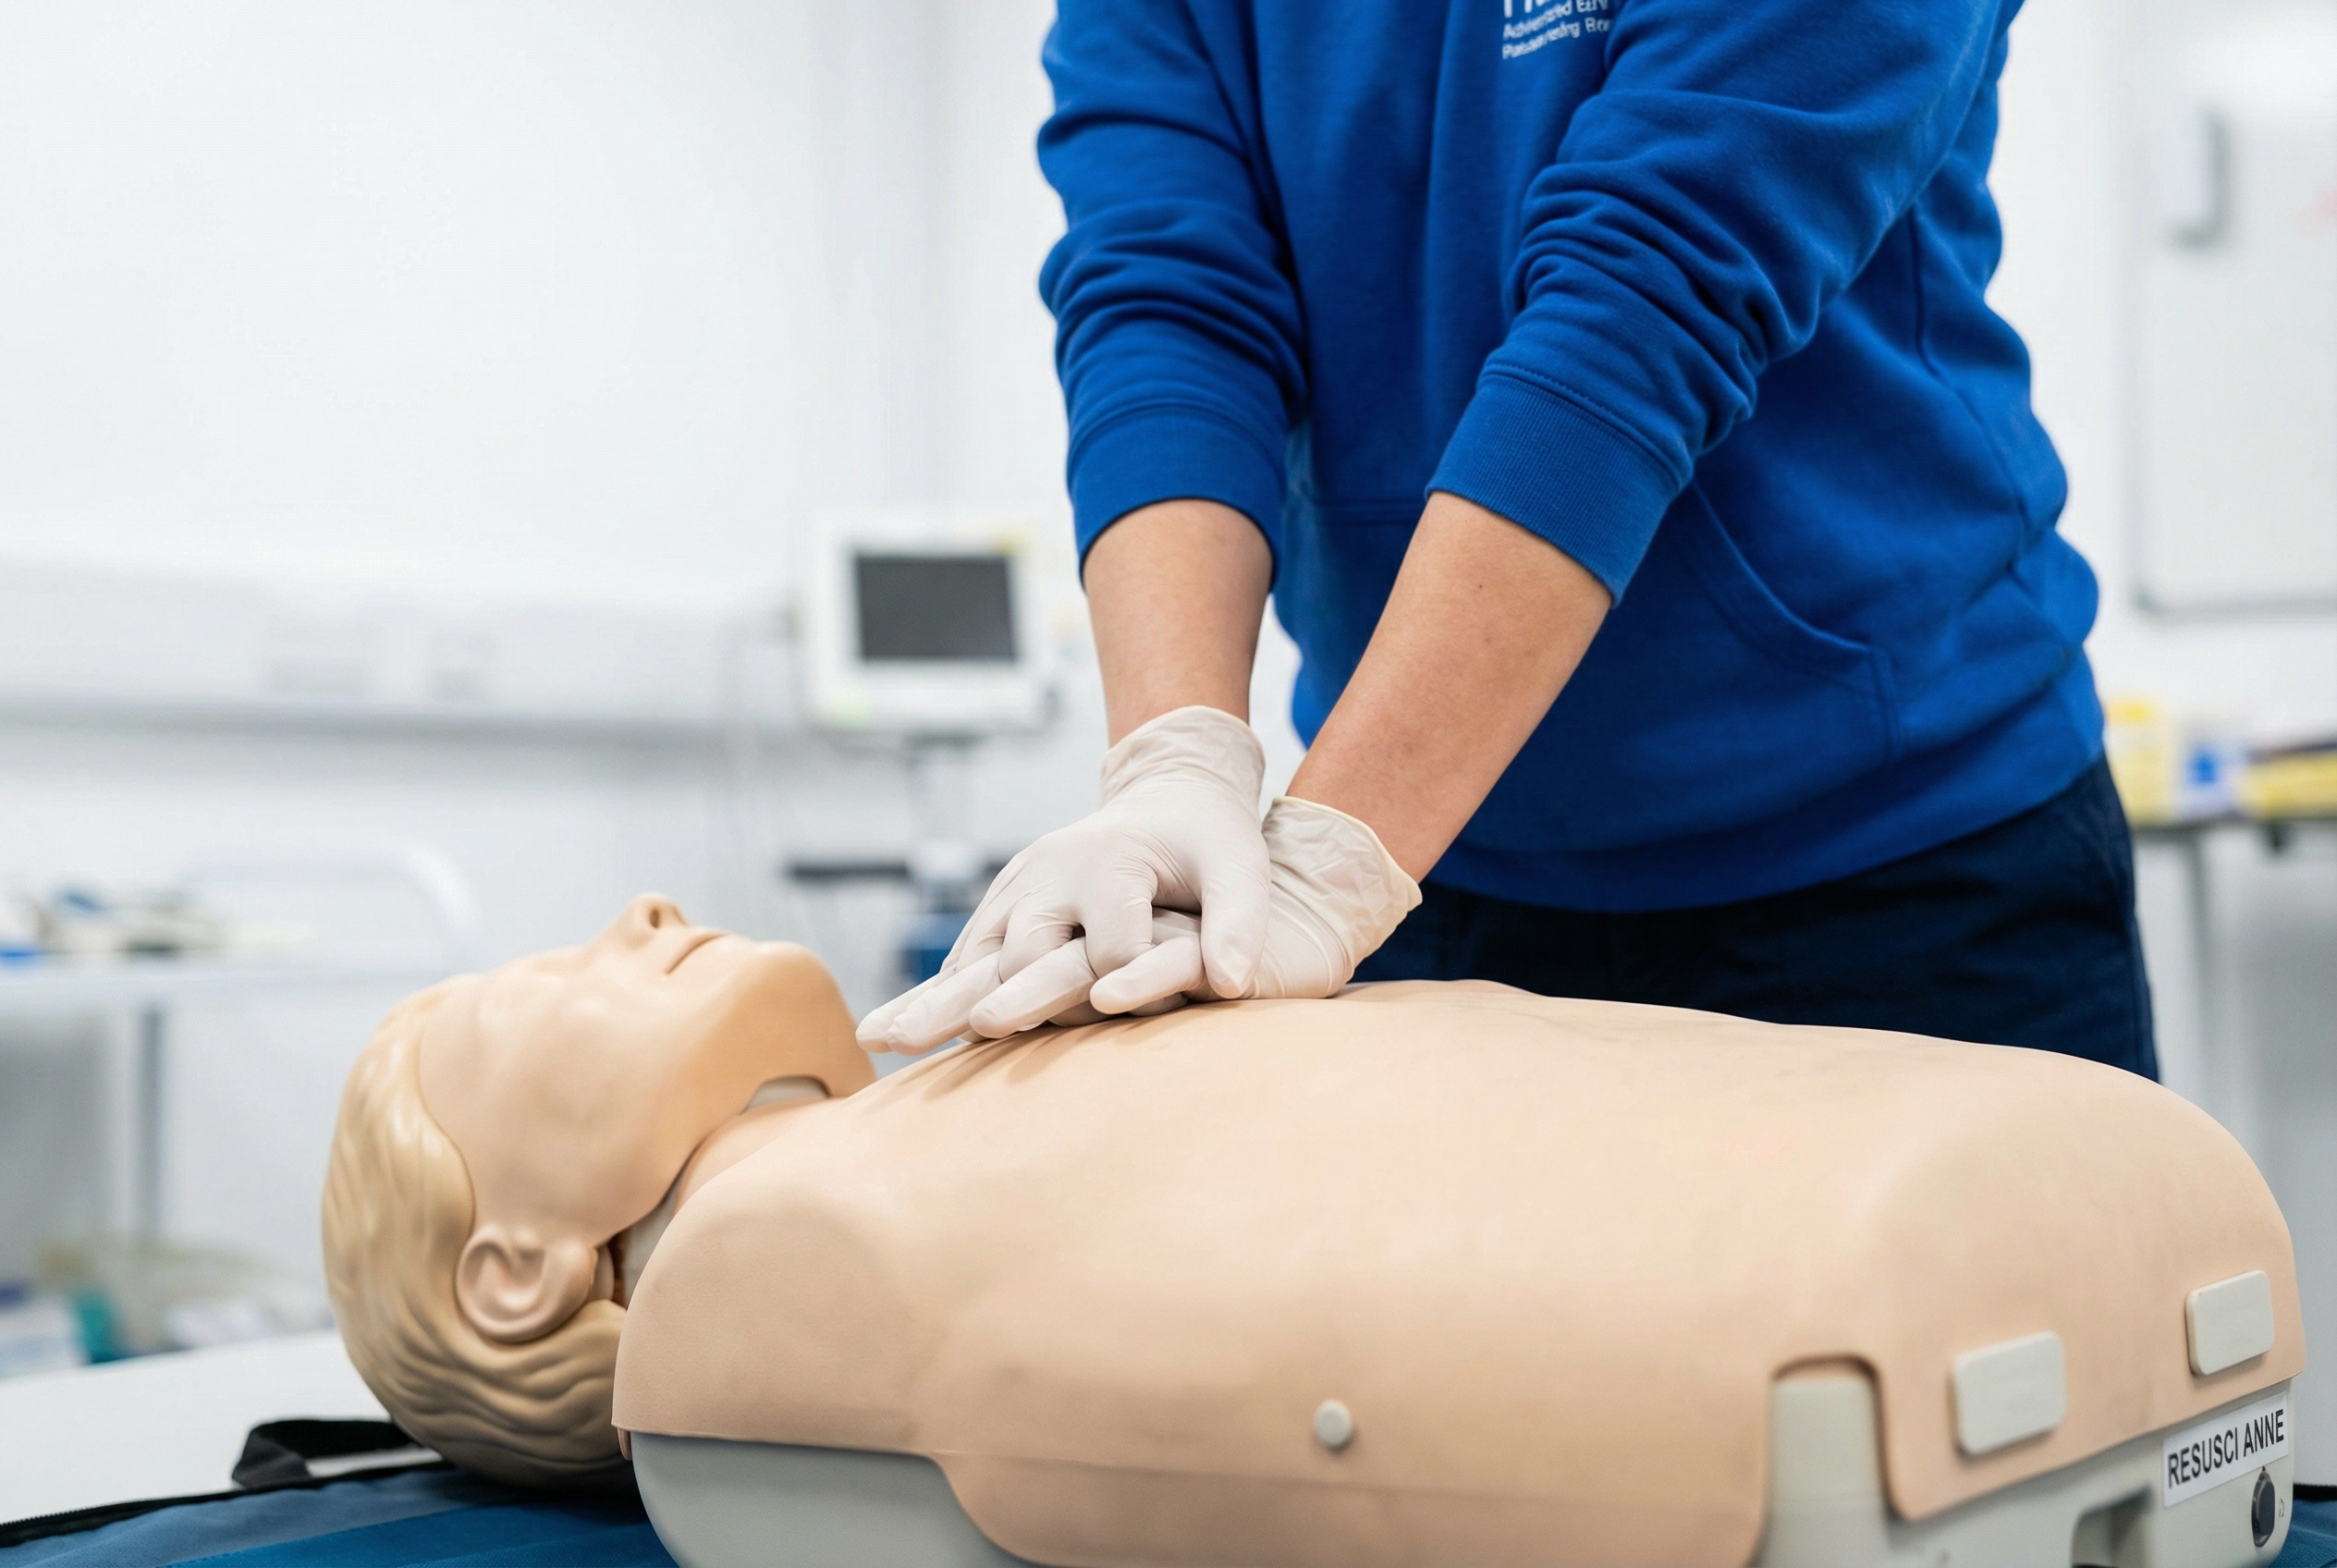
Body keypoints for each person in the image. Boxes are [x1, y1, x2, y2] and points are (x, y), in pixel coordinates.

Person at [861, 0, 2153, 1076]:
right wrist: (1173, 761)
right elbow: (1167, 295)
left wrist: (1332, 858)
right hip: (1439, 880)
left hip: (1897, 867)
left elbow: (1654, 286)